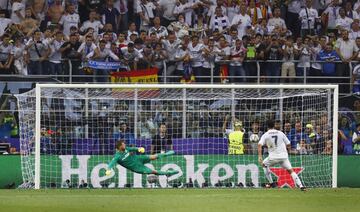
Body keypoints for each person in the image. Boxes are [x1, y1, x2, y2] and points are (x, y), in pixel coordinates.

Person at [258, 119, 306, 191]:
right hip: (284, 156)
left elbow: (259, 145)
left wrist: (260, 156)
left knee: (264, 165)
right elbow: (288, 144)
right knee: (291, 171)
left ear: (267, 126)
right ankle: (301, 186)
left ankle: (271, 183)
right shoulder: (281, 133)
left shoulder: (265, 135)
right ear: (274, 125)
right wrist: (288, 150)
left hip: (273, 157)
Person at [106, 140, 179, 176]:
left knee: (153, 156)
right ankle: (168, 173)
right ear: (120, 147)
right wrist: (108, 169)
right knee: (154, 171)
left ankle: (166, 154)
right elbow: (112, 163)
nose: (125, 145)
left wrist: (139, 149)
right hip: (136, 167)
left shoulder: (126, 149)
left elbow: (133, 149)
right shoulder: (117, 156)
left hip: (138, 158)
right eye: (123, 144)